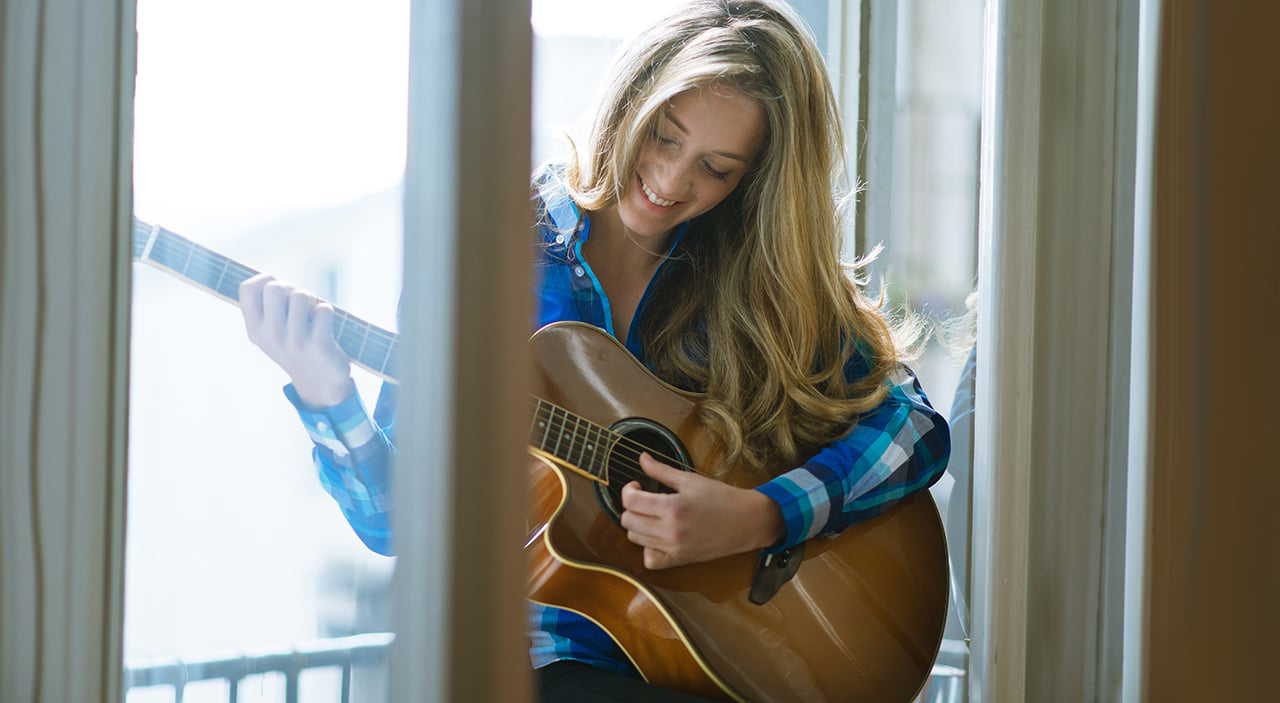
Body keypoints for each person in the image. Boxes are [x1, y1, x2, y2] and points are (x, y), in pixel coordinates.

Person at [237, 1, 951, 700]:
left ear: (753, 183)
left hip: (710, 662)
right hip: (545, 659)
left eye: (717, 167)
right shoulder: (487, 251)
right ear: (629, 102)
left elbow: (914, 428)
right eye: (665, 137)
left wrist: (762, 515)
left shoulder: (753, 281)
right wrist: (329, 395)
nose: (672, 182)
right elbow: (395, 523)